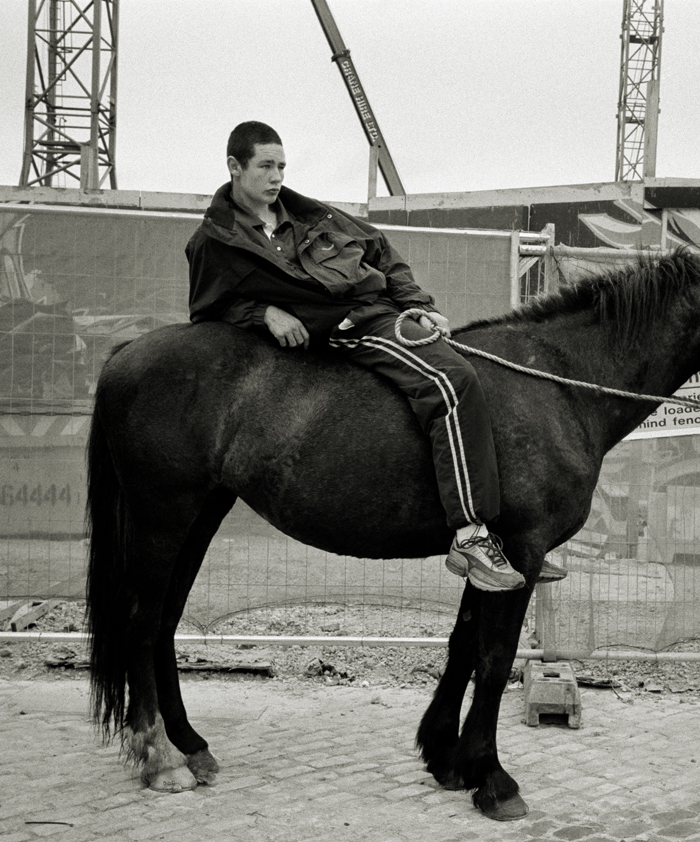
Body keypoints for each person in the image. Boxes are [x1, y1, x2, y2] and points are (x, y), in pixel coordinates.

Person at [186, 121, 565, 592]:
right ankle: (471, 536)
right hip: (349, 329)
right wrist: (263, 313)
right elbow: (207, 308)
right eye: (265, 166)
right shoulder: (214, 242)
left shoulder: (311, 214)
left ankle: (503, 535)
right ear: (234, 168)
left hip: (381, 312)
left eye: (281, 166)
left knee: (472, 378)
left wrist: (417, 305)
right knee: (453, 382)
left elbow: (381, 251)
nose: (277, 176)